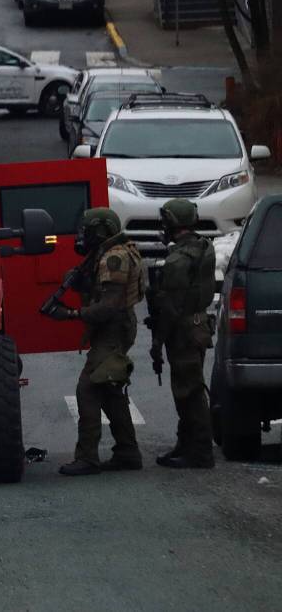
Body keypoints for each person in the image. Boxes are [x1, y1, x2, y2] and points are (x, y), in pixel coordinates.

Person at [46, 208, 145, 476]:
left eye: (87, 231)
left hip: (113, 329)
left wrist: (71, 314)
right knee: (110, 391)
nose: (83, 236)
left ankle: (87, 457)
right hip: (116, 328)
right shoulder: (108, 253)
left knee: (88, 389)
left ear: (101, 231)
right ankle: (127, 452)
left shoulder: (114, 258)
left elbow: (108, 307)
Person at [148, 198, 216, 469]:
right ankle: (186, 444)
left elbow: (171, 308)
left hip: (183, 331)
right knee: (189, 388)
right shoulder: (203, 246)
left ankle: (199, 451)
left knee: (189, 392)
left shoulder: (178, 260)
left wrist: (157, 341)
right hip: (198, 326)